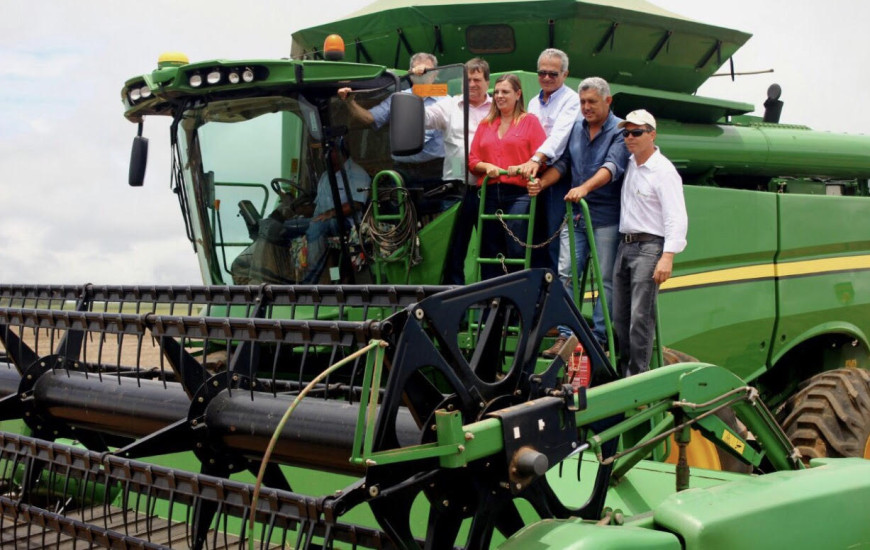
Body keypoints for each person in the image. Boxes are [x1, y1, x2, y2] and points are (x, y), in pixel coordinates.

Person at [535, 77, 629, 357]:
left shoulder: (619, 130)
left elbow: (612, 166)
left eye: (592, 102)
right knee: (566, 274)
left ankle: (599, 337)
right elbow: (564, 163)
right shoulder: (576, 127)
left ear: (608, 101)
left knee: (604, 279)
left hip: (606, 217)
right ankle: (566, 335)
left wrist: (585, 188)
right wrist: (542, 184)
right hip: (575, 215)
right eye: (583, 102)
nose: (586, 107)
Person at [612, 109, 688, 377]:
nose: (629, 137)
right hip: (626, 245)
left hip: (649, 247)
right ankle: (623, 373)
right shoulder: (632, 163)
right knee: (620, 317)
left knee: (639, 317)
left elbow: (676, 217)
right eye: (626, 133)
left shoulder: (664, 171)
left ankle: (637, 376)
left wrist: (667, 256)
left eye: (636, 132)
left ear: (652, 135)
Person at [418, 57, 492, 284]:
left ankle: (494, 299)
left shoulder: (499, 107)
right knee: (453, 250)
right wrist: (418, 85)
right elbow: (422, 118)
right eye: (467, 79)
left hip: (490, 189)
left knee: (492, 248)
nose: (472, 83)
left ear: (487, 82)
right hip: (457, 191)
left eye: (477, 79)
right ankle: (455, 304)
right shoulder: (449, 106)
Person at [468, 74, 546, 280]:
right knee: (490, 249)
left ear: (518, 94)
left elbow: (542, 158)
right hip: (489, 192)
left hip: (518, 192)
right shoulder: (486, 124)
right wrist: (487, 167)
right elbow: (473, 159)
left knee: (516, 246)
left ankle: (519, 294)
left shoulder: (530, 121)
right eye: (497, 92)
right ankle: (493, 300)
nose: (500, 96)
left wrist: (523, 167)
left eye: (505, 92)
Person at [513, 48, 580, 272]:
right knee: (532, 236)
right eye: (542, 73)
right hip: (533, 174)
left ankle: (555, 294)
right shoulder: (533, 102)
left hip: (558, 175)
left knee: (553, 238)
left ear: (565, 74)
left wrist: (536, 159)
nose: (547, 78)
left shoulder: (572, 101)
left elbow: (559, 138)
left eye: (553, 74)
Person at [338, 53, 445, 182]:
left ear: (436, 74)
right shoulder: (397, 98)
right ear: (410, 73)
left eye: (427, 71)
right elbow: (370, 118)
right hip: (403, 171)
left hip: (436, 170)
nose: (422, 74)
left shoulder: (447, 101)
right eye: (418, 71)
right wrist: (349, 102)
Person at [283, 144, 370, 282]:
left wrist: (331, 213)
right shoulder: (325, 175)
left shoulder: (357, 173)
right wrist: (295, 209)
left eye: (324, 152)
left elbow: (356, 204)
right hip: (322, 219)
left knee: (317, 227)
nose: (320, 156)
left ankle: (310, 283)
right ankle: (284, 278)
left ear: (338, 152)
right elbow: (317, 206)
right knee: (285, 227)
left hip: (346, 223)